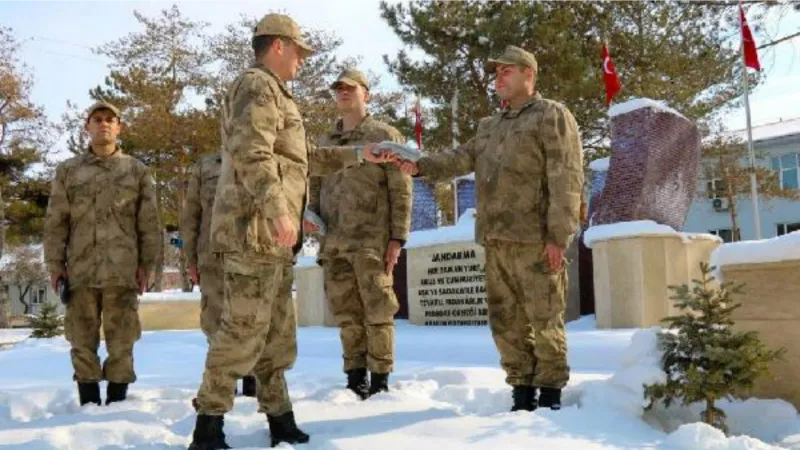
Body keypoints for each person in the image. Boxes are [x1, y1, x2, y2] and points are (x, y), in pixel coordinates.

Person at [187, 13, 389, 450]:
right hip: (253, 232)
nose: (301, 60)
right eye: (298, 51)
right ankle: (207, 427)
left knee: (275, 334)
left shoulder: (277, 95)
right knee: (242, 330)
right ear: (278, 45)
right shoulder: (256, 86)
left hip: (271, 240)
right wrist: (280, 211)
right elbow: (252, 153)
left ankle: (279, 417)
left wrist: (361, 154)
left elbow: (304, 158)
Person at [390, 45, 584, 412]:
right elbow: (458, 159)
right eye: (495, 73)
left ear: (529, 74)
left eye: (505, 71)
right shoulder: (489, 127)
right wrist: (417, 166)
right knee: (505, 324)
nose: (498, 79)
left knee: (544, 320)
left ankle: (551, 397)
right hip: (496, 242)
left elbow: (567, 178)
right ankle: (522, 393)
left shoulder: (551, 116)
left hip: (536, 240)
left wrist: (558, 236)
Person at [43, 101, 161, 407]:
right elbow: (56, 222)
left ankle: (118, 405)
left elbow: (148, 223)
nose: (104, 124)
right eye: (97, 119)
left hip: (123, 272)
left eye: (110, 120)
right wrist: (55, 265)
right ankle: (89, 406)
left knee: (122, 342)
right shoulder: (69, 171)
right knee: (81, 341)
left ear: (119, 127)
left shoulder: (136, 171)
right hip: (80, 272)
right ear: (88, 127)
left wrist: (147, 266)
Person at [306, 68, 412, 400]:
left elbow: (401, 188)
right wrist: (312, 220)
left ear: (367, 93)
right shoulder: (326, 142)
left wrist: (397, 237)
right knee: (346, 315)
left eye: (350, 88)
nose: (343, 93)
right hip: (334, 243)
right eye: (338, 88)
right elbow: (315, 186)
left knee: (378, 311)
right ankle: (354, 379)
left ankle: (380, 381)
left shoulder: (383, 135)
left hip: (372, 241)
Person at [181, 152, 257, 397]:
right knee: (215, 322)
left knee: (252, 320)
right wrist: (190, 258)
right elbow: (191, 215)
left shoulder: (262, 159)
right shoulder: (204, 166)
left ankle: (252, 382)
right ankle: (223, 383)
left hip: (254, 257)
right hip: (212, 259)